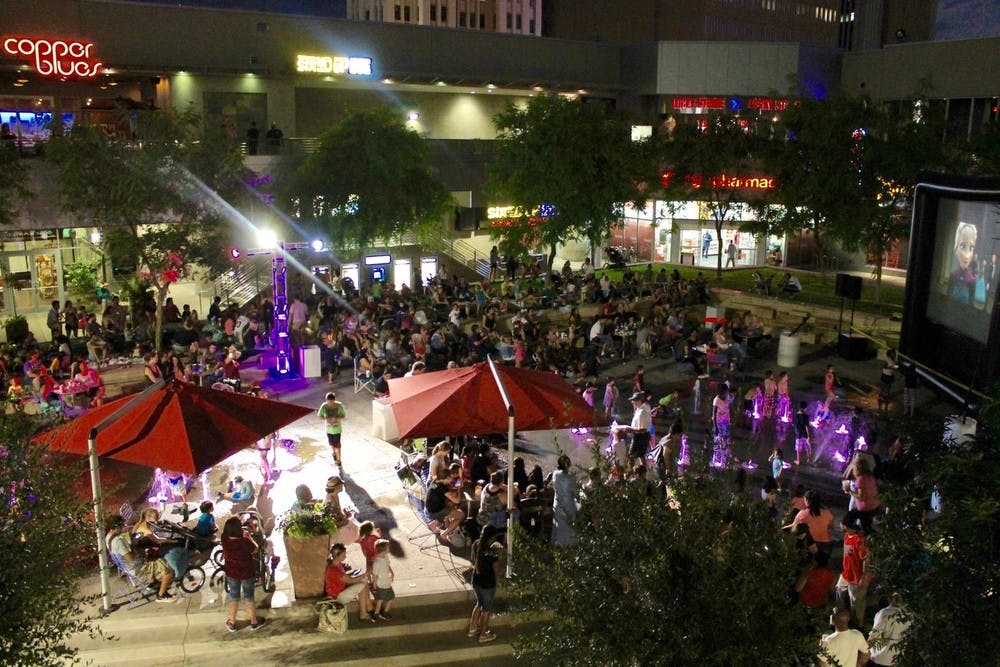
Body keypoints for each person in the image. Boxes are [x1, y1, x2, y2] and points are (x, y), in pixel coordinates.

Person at [107, 514, 175, 602]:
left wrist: (133, 543)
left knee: (150, 554)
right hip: (136, 568)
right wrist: (135, 548)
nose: (123, 527)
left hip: (125, 566)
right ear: (117, 526)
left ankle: (152, 582)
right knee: (167, 567)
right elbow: (131, 558)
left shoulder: (109, 536)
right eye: (122, 526)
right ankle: (161, 595)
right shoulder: (119, 542)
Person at [221, 516, 265, 632]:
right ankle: (254, 622)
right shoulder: (244, 541)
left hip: (232, 572)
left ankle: (232, 622)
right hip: (246, 572)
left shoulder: (224, 538)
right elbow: (255, 549)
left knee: (233, 596)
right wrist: (248, 537)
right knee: (249, 596)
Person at [467, 524, 503, 643]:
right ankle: (483, 634)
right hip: (488, 584)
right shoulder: (492, 553)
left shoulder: (476, 544)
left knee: (479, 604)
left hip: (476, 580)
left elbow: (473, 558)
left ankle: (472, 628)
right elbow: (496, 569)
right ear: (492, 537)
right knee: (486, 610)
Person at [836, 510, 870, 626]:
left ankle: (858, 625)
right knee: (839, 593)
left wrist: (863, 577)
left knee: (856, 603)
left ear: (847, 525)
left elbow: (866, 558)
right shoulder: (847, 536)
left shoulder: (859, 540)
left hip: (857, 577)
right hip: (846, 574)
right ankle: (841, 619)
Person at [325, 542, 374, 623]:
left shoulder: (337, 564)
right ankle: (364, 612)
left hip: (341, 589)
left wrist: (350, 573)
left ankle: (369, 607)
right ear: (337, 556)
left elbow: (344, 578)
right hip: (338, 596)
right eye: (343, 556)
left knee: (363, 582)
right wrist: (367, 573)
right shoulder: (333, 569)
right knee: (362, 585)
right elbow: (351, 580)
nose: (345, 557)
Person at [788, 490, 835, 555]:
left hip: (809, 544)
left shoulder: (802, 514)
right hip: (826, 544)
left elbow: (793, 528)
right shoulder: (827, 512)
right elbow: (831, 527)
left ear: (807, 500)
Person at [868, 593, 910, 666]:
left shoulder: (885, 613)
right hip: (898, 658)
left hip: (880, 658)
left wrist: (863, 654)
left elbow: (873, 637)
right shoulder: (909, 614)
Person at [425, 470, 465, 542]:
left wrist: (452, 489)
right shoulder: (442, 488)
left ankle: (432, 524)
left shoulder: (435, 481)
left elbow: (442, 493)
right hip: (436, 511)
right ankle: (444, 534)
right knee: (461, 515)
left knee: (451, 505)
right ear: (446, 478)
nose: (452, 480)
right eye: (450, 478)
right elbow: (457, 500)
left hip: (429, 508)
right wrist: (459, 489)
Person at [550, 455, 578, 547]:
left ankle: (558, 542)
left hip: (558, 502)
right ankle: (568, 543)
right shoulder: (570, 477)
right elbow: (575, 492)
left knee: (559, 524)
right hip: (568, 504)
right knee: (568, 524)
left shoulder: (555, 474)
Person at [949, 221, 978, 304]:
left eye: (971, 248)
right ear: (956, 249)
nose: (967, 255)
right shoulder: (953, 276)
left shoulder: (972, 281)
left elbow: (971, 306)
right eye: (963, 246)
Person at [621, 391, 652, 466]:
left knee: (631, 455)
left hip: (640, 436)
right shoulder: (643, 407)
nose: (632, 402)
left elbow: (643, 429)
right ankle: (642, 472)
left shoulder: (642, 412)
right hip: (641, 435)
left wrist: (630, 430)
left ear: (639, 401)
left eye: (634, 400)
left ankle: (633, 471)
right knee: (640, 455)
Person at [318, 391, 346, 467]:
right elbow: (320, 416)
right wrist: (327, 419)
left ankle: (339, 460)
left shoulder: (339, 405)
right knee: (331, 444)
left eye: (332, 402)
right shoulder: (324, 406)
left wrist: (336, 418)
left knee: (338, 445)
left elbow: (343, 416)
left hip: (337, 429)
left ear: (334, 400)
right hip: (329, 429)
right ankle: (334, 453)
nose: (330, 403)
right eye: (328, 402)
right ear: (326, 400)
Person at [370, 539, 395, 621]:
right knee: (380, 600)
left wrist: (392, 573)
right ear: (383, 550)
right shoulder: (377, 562)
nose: (389, 549)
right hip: (381, 584)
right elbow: (375, 575)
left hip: (387, 582)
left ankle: (383, 612)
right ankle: (377, 613)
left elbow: (388, 565)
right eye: (388, 548)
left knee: (391, 597)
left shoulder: (385, 557)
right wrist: (374, 586)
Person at [793, 401, 811, 465]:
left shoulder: (796, 415)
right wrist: (809, 436)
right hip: (805, 434)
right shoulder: (806, 416)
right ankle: (809, 459)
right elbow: (807, 427)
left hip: (798, 434)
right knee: (807, 447)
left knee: (798, 448)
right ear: (805, 408)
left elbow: (794, 424)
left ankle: (798, 461)